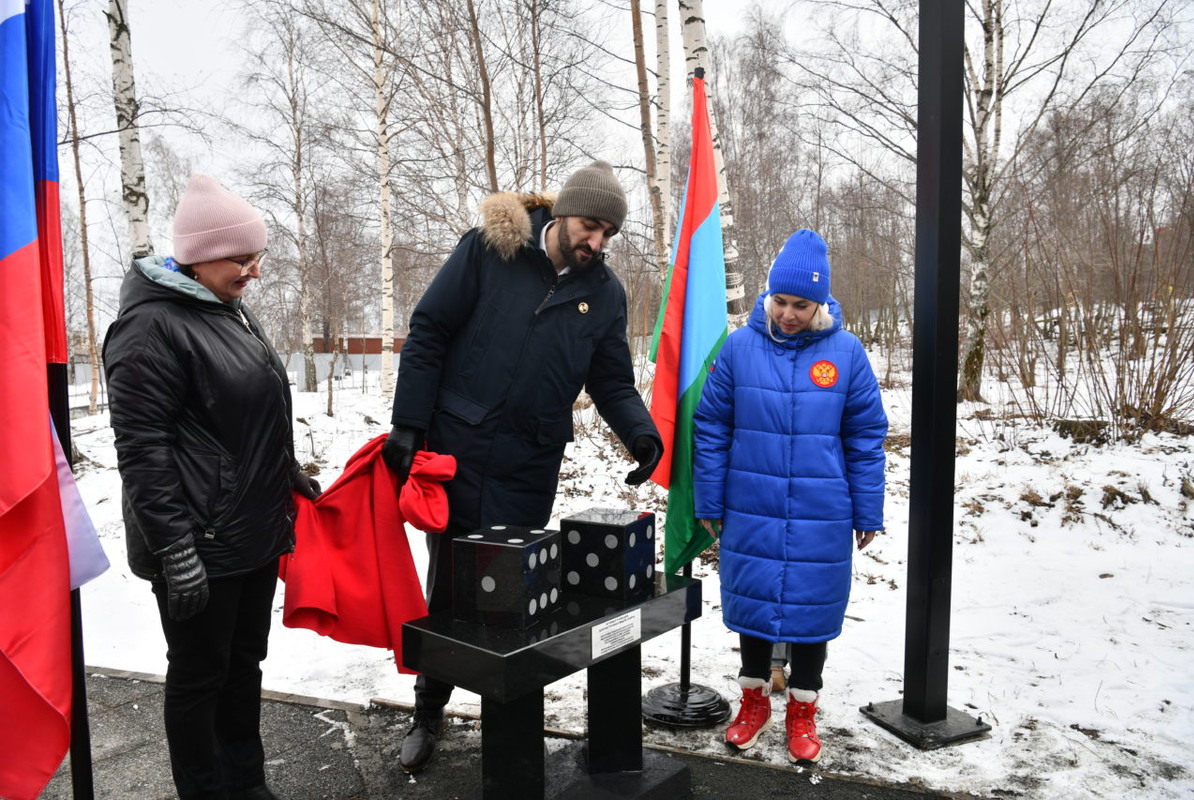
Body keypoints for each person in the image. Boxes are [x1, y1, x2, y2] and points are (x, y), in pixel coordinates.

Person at [382, 160, 663, 773]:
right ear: (562, 215)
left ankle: (508, 721)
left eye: (608, 235)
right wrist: (409, 422)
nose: (597, 243)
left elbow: (612, 381)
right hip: (458, 449)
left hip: (529, 463)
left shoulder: (604, 293)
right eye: (590, 227)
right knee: (450, 590)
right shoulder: (490, 250)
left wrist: (641, 434)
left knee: (515, 594)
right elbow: (429, 330)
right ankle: (428, 711)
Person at [103, 174, 320, 800]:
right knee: (200, 678)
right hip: (198, 542)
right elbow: (142, 451)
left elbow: (249, 414)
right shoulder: (150, 327)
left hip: (250, 531)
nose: (254, 270)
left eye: (257, 256)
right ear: (199, 255)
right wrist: (175, 550)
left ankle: (246, 785)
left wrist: (286, 471)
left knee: (243, 667)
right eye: (241, 258)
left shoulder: (227, 309)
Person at [692, 228, 887, 766]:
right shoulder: (739, 348)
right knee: (753, 604)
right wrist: (709, 499)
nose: (788, 314)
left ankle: (803, 709)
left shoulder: (847, 353)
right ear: (768, 295)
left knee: (811, 608)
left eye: (801, 305)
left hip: (822, 512)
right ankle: (753, 702)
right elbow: (711, 427)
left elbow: (865, 437)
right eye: (780, 301)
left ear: (820, 303)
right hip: (750, 504)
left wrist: (868, 509)